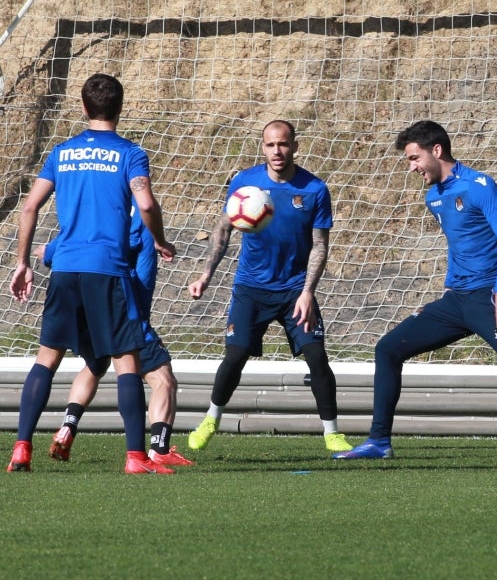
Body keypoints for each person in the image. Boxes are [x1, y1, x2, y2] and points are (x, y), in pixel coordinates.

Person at [333, 120, 497, 460]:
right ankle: (379, 441)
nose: (411, 168)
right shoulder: (434, 197)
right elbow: (461, 246)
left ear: (436, 150)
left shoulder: (479, 186)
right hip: (455, 301)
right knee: (387, 349)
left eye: (414, 158)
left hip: (490, 300)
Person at [7, 72, 177, 474]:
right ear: (120, 108)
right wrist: (160, 239)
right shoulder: (130, 153)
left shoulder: (61, 152)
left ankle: (21, 448)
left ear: (83, 108)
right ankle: (136, 457)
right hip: (107, 269)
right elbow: (147, 205)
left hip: (65, 267)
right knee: (126, 361)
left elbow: (29, 208)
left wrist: (23, 262)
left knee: (46, 358)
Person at [186, 119, 352, 454]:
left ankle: (332, 433)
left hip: (294, 290)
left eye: (284, 144)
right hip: (251, 287)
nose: (277, 151)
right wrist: (206, 274)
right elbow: (223, 231)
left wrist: (307, 292)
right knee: (235, 355)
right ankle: (211, 419)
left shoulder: (314, 189)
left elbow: (320, 245)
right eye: (271, 145)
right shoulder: (245, 183)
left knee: (317, 357)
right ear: (263, 147)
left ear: (294, 146)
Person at [38, 212, 193, 467]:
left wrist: (47, 250)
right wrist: (159, 240)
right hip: (125, 310)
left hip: (87, 306)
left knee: (95, 366)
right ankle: (159, 449)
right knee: (163, 379)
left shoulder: (95, 212)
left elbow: (55, 250)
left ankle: (68, 425)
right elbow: (143, 276)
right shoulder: (143, 217)